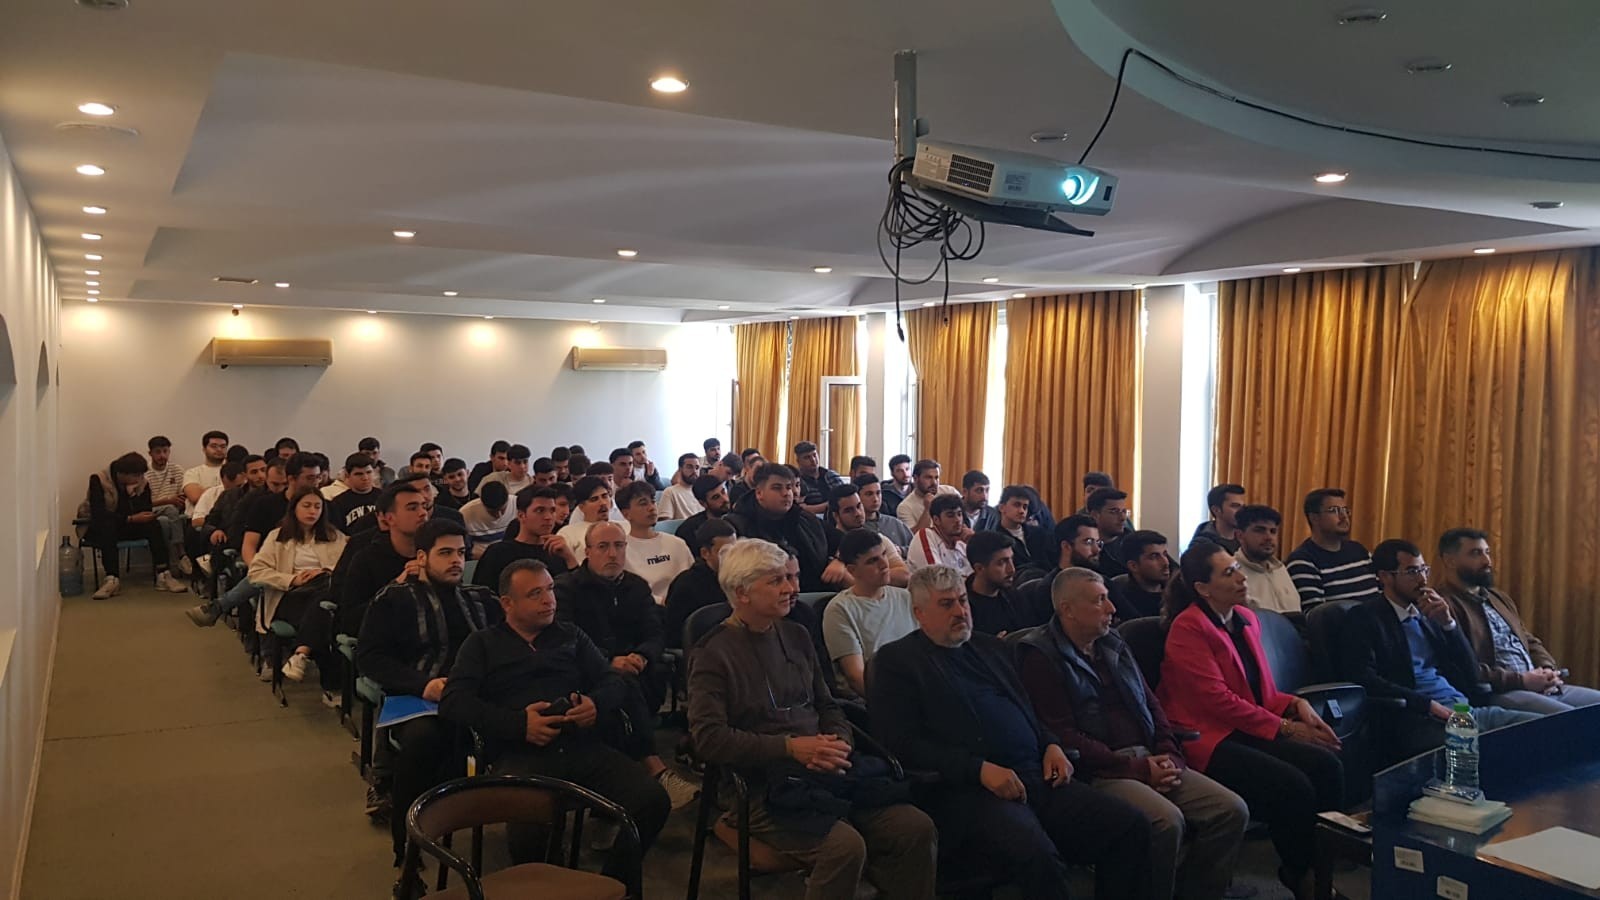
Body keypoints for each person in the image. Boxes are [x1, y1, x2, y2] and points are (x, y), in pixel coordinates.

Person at [870, 566, 1153, 900]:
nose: (960, 611)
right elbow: (902, 743)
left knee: (1130, 825)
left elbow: (1027, 711)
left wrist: (1050, 744)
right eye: (946, 604)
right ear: (919, 613)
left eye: (963, 601)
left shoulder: (991, 648)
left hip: (1037, 776)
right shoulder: (897, 662)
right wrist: (979, 770)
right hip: (970, 790)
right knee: (1038, 857)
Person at [688, 538, 938, 900]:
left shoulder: (797, 634)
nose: (791, 589)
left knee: (915, 827)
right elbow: (708, 739)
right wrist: (791, 748)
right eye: (776, 581)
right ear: (742, 593)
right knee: (844, 848)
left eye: (790, 578)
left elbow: (828, 705)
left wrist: (839, 744)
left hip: (826, 770)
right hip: (763, 785)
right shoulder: (713, 653)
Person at [1018, 567, 1248, 900]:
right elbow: (1061, 733)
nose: (1112, 608)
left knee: (1231, 809)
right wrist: (1138, 769)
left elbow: (1151, 703)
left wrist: (1168, 752)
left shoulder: (1113, 641)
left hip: (1150, 756)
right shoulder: (1040, 655)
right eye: (1100, 600)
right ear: (1067, 609)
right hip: (1101, 769)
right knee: (1165, 821)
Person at [439, 559, 671, 873]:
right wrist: (520, 724)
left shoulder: (570, 635)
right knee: (530, 832)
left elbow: (613, 681)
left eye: (549, 589)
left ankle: (615, 882)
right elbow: (453, 702)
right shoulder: (482, 644)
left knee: (653, 800)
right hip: (520, 752)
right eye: (535, 594)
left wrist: (594, 704)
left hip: (580, 745)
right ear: (507, 603)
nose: (548, 600)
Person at [1158, 541, 1344, 899]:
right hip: (1204, 736)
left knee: (1327, 766)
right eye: (1229, 573)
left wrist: (1296, 705)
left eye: (1237, 568)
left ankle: (1320, 868)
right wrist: (1285, 727)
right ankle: (1299, 873)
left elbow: (1261, 691)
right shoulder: (1188, 628)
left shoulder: (1245, 619)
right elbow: (1217, 701)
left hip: (1245, 725)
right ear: (1203, 588)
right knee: (1292, 785)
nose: (1241, 577)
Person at [359, 518, 501, 865]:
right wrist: (424, 684)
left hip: (477, 696)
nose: (456, 560)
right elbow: (371, 658)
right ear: (421, 557)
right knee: (423, 740)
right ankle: (408, 845)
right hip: (419, 699)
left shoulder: (481, 598)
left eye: (461, 553)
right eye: (446, 553)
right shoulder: (393, 600)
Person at [1338, 538, 1541, 764]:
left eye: (1424, 569)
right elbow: (1364, 678)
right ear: (1385, 577)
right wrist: (1425, 704)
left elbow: (1471, 672)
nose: (1422, 579)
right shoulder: (1365, 618)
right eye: (1412, 571)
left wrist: (1449, 624)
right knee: (1498, 750)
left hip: (1462, 709)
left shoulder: (1428, 614)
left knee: (1543, 728)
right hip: (1415, 718)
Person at [553, 523, 701, 807]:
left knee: (637, 677)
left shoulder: (636, 586)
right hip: (586, 671)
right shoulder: (567, 588)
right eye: (603, 547)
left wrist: (642, 655)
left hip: (636, 667)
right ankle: (655, 768)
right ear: (588, 552)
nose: (612, 553)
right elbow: (565, 639)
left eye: (619, 546)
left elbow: (656, 633)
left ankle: (624, 784)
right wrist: (608, 660)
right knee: (620, 682)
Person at [1434, 528, 1600, 714]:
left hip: (1539, 684)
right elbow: (1462, 667)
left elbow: (1528, 640)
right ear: (1450, 561)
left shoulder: (1498, 598)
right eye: (1475, 553)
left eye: (1487, 552)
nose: (1487, 561)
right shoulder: (1442, 607)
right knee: (1573, 719)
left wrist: (1547, 670)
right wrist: (1522, 681)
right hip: (1501, 691)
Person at [248, 488, 348, 701]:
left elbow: (347, 567)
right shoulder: (277, 537)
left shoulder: (334, 536)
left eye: (318, 506)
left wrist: (324, 570)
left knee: (325, 600)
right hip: (290, 597)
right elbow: (256, 572)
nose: (313, 511)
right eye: (307, 505)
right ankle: (332, 686)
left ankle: (301, 653)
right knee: (327, 611)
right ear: (294, 508)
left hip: (325, 597)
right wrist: (293, 579)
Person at [821, 530, 918, 698]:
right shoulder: (839, 610)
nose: (884, 565)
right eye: (872, 561)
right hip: (879, 698)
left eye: (884, 554)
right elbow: (856, 676)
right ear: (852, 570)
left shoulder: (906, 597)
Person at [85, 452, 188, 597]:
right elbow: (98, 513)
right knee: (108, 527)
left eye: (141, 475)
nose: (140, 479)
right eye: (136, 475)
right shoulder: (99, 480)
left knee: (153, 523)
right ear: (122, 474)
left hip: (129, 524)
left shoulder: (141, 483)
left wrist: (133, 496)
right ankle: (112, 579)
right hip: (103, 525)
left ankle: (163, 573)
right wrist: (130, 518)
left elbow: (146, 509)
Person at [337, 480, 430, 638]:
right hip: (386, 640)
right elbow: (349, 620)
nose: (423, 513)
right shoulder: (366, 559)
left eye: (424, 506)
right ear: (389, 519)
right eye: (412, 508)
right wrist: (395, 587)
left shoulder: (434, 553)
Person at [724, 463, 830, 591]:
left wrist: (838, 560)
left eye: (788, 487)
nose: (786, 493)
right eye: (777, 488)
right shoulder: (736, 526)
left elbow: (839, 540)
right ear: (759, 493)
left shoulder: (805, 519)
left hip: (814, 592)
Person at [1285, 488, 1381, 609]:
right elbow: (1316, 614)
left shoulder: (1359, 550)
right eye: (1334, 510)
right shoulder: (1302, 561)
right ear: (1314, 518)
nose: (1343, 516)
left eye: (1345, 510)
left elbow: (1381, 592)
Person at [473, 487, 577, 593]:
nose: (548, 517)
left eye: (552, 510)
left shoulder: (558, 551)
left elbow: (578, 593)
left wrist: (570, 558)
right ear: (521, 515)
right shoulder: (498, 553)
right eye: (540, 510)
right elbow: (481, 595)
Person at [615, 480, 693, 605]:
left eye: (653, 501)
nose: (651, 508)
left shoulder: (677, 543)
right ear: (626, 514)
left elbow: (691, 580)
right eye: (643, 503)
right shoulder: (620, 550)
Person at [663, 520, 739, 646]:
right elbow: (674, 635)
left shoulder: (740, 579)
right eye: (724, 552)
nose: (732, 557)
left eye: (734, 551)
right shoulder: (686, 585)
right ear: (705, 553)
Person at [822, 483, 911, 589]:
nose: (857, 513)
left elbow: (904, 575)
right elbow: (854, 587)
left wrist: (868, 576)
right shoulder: (828, 546)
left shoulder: (878, 539)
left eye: (859, 506)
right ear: (836, 516)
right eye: (849, 510)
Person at [964, 530, 1051, 637]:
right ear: (979, 568)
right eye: (1002, 563)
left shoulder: (1015, 597)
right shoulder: (964, 609)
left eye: (1011, 559)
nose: (1012, 569)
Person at [1235, 505, 1301, 614]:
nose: (1269, 537)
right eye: (1260, 531)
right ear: (1240, 536)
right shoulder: (1232, 574)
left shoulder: (1280, 569)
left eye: (1273, 531)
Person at [145, 435, 190, 571]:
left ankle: (169, 565)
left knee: (179, 516)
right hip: (154, 509)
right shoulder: (145, 473)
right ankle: (181, 554)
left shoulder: (177, 470)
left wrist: (181, 501)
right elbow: (144, 503)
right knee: (169, 512)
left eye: (165, 451)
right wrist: (167, 500)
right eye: (158, 452)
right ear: (150, 453)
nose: (162, 455)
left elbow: (183, 493)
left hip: (175, 509)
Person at [1107, 530, 1170, 622]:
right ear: (1133, 566)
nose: (1166, 563)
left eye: (1165, 554)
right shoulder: (1119, 600)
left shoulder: (1178, 595)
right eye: (1154, 557)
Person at [906, 493, 971, 576]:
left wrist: (974, 542)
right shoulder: (926, 535)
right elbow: (937, 578)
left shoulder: (962, 543)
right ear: (936, 520)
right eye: (950, 515)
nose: (958, 520)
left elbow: (981, 573)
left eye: (959, 514)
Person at [993, 485, 1055, 573]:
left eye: (1025, 507)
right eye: (1017, 505)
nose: (1022, 511)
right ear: (1002, 508)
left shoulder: (1040, 534)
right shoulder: (995, 539)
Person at [555, 476, 613, 564]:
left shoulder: (623, 527)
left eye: (605, 496)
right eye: (594, 499)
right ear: (581, 507)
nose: (603, 503)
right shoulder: (568, 533)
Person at [895, 459, 961, 532]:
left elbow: (965, 517)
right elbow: (914, 536)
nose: (934, 483)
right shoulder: (905, 507)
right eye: (928, 478)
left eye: (936, 477)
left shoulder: (949, 491)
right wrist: (927, 509)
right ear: (916, 479)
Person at [676, 474, 731, 558]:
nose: (724, 499)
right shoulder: (689, 530)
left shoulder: (736, 520)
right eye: (716, 497)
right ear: (703, 503)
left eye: (723, 492)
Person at [855, 474, 912, 555]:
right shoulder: (855, 528)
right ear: (857, 497)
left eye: (878, 493)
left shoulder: (895, 523)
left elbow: (917, 548)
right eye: (869, 494)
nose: (875, 499)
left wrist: (901, 550)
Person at [326, 453, 380, 534]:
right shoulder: (338, 503)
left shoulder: (386, 498)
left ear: (374, 472)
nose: (365, 478)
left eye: (369, 472)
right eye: (358, 474)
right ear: (347, 475)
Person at [1087, 489, 1134, 579]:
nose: (1123, 518)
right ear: (1095, 515)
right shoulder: (1084, 547)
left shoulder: (1134, 543)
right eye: (1114, 511)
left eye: (1124, 511)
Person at [458, 481, 514, 554]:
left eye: (503, 510)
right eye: (493, 512)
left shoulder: (516, 505)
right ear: (482, 503)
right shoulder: (465, 514)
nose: (499, 515)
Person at [181, 430, 230, 515]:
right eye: (214, 446)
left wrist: (206, 491)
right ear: (204, 449)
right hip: (198, 518)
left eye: (223, 446)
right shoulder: (192, 473)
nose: (219, 449)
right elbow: (195, 497)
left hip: (227, 517)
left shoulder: (233, 471)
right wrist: (226, 490)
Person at [1191, 484, 1246, 554]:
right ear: (1216, 510)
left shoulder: (1247, 538)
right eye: (1235, 506)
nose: (1242, 511)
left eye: (1243, 507)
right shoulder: (1201, 546)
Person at [793, 440, 844, 515]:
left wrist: (811, 508)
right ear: (798, 461)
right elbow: (798, 508)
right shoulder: (797, 481)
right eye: (807, 457)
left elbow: (845, 499)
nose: (813, 460)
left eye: (814, 455)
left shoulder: (831, 476)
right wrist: (832, 504)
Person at [657, 453, 704, 519]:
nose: (694, 471)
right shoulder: (670, 492)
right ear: (680, 469)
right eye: (689, 467)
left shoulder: (703, 491)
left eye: (697, 467)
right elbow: (665, 521)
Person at [880, 453, 913, 519]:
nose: (905, 474)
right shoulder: (884, 494)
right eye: (900, 471)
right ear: (892, 473)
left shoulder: (917, 491)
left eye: (907, 469)